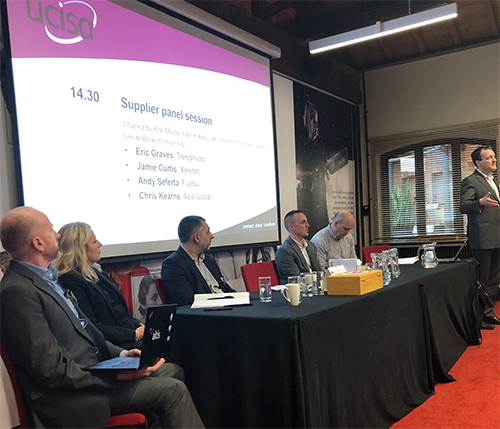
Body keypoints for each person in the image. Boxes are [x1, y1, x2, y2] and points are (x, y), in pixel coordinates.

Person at [0, 207, 204, 428]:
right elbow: (50, 369)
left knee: (170, 370)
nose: (58, 234)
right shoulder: (17, 291)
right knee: (173, 390)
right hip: (70, 396)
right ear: (38, 243)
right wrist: (113, 376)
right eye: (51, 230)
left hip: (93, 373)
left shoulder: (48, 279)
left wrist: (124, 354)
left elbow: (87, 332)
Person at [54, 222, 144, 349]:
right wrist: (134, 335)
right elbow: (92, 326)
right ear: (80, 248)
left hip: (128, 333)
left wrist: (140, 325)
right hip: (112, 344)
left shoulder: (97, 272)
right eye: (95, 241)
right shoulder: (70, 279)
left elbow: (121, 312)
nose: (100, 244)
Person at [460, 145, 500, 330]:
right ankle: (479, 317)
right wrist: (479, 202)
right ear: (478, 162)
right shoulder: (471, 181)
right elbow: (464, 205)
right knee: (482, 280)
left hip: (497, 237)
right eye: (489, 157)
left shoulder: (493, 181)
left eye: (494, 156)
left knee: (493, 280)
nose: (494, 159)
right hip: (483, 239)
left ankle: (489, 313)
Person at [161, 216, 235, 306]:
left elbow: (225, 288)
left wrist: (242, 299)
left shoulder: (208, 260)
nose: (212, 236)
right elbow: (187, 302)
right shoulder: (173, 265)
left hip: (228, 308)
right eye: (208, 232)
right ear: (197, 237)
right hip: (208, 314)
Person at [275, 210, 321, 284]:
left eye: (306, 221)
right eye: (303, 222)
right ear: (291, 227)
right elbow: (296, 278)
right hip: (298, 291)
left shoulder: (311, 246)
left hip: (315, 288)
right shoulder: (285, 251)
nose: (308, 225)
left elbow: (319, 271)